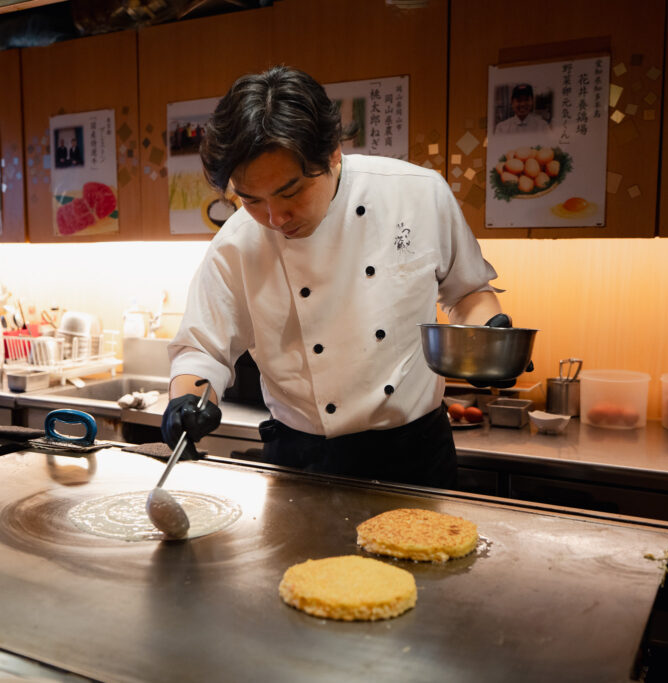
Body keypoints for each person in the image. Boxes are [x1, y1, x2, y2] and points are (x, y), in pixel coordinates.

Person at [161, 66, 527, 489]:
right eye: (251, 199)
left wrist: (490, 335)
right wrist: (187, 399)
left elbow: (467, 292)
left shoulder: (417, 195)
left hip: (413, 454)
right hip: (300, 463)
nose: (275, 218)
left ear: (333, 153)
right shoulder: (237, 242)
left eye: (290, 191)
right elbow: (204, 348)